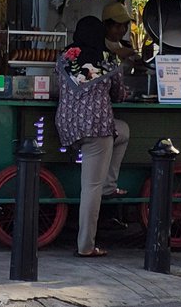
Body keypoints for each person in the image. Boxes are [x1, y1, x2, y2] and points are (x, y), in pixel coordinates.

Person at [55, 16, 129, 257]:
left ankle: (109, 185)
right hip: (96, 128)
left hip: (68, 126)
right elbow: (119, 94)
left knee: (122, 131)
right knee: (90, 187)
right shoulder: (109, 60)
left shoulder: (64, 57)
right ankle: (86, 246)